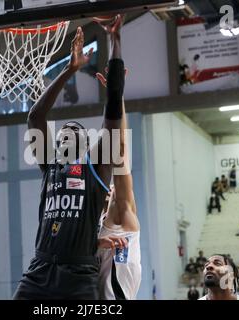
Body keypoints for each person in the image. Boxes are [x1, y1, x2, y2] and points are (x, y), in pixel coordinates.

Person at [13, 15, 126, 299]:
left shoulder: (97, 167)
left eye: (74, 129)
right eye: (62, 130)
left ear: (87, 142)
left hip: (78, 275)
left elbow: (113, 106)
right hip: (39, 270)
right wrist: (70, 68)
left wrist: (115, 40)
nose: (65, 131)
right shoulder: (50, 165)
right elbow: (35, 116)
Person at [96, 66, 141, 300]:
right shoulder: (91, 224)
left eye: (114, 187)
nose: (111, 188)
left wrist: (116, 96)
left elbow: (120, 148)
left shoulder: (121, 214)